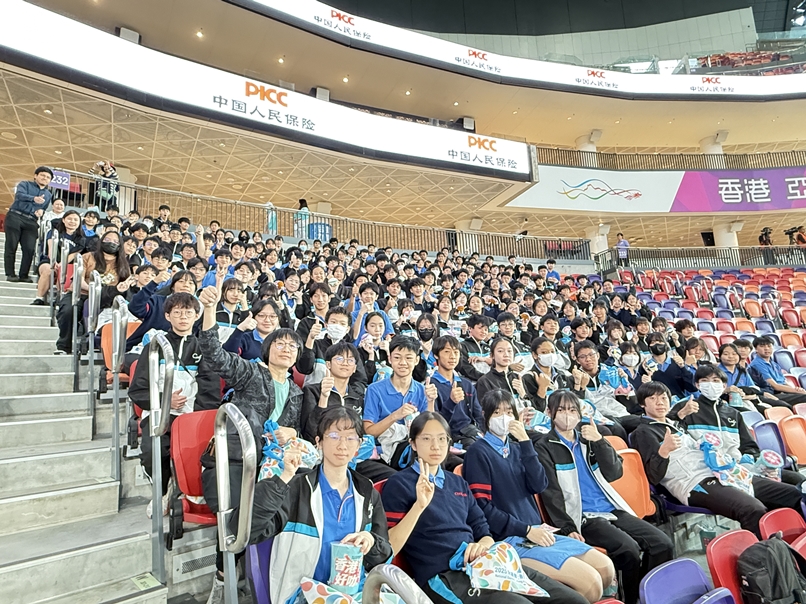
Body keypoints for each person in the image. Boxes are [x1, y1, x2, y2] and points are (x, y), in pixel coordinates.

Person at [381, 412, 588, 604]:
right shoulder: (399, 485)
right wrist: (419, 506)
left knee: (572, 600)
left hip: (483, 563)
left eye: (442, 438)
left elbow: (483, 529)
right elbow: (388, 548)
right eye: (426, 439)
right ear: (413, 444)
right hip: (444, 576)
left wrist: (482, 545)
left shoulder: (457, 483)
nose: (436, 446)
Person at [464, 390, 615, 603]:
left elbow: (539, 485)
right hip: (510, 539)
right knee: (590, 584)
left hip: (537, 532)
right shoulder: (478, 452)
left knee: (606, 569)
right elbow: (483, 508)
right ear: (485, 416)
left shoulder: (517, 448)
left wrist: (525, 442)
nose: (504, 417)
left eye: (508, 411)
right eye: (497, 412)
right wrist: (526, 530)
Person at [536, 391, 674, 604]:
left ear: (580, 413)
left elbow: (614, 473)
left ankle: (648, 595)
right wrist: (567, 527)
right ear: (549, 412)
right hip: (583, 517)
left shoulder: (590, 438)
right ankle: (629, 599)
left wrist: (600, 441)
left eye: (572, 410)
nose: (567, 415)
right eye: (561, 410)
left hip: (611, 508)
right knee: (628, 549)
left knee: (663, 544)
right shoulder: (544, 447)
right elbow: (551, 493)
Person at [631, 381, 794, 538]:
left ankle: (793, 542)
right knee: (752, 509)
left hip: (723, 473)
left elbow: (675, 417)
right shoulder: (643, 432)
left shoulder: (674, 424)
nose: (660, 402)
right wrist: (664, 451)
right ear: (642, 404)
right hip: (696, 483)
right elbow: (653, 476)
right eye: (652, 398)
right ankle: (768, 553)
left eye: (663, 397)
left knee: (792, 494)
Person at [127, 292, 221, 518]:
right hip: (159, 412)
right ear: (167, 316)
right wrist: (164, 400)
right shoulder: (154, 347)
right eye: (177, 312)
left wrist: (193, 416)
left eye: (188, 312)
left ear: (197, 315)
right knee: (153, 451)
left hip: (191, 416)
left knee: (194, 452)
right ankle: (160, 491)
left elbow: (210, 390)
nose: (183, 317)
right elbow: (137, 389)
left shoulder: (204, 349)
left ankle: (185, 492)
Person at [362, 336, 438, 468]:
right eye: (397, 357)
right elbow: (369, 431)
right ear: (389, 359)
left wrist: (430, 401)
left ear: (416, 360)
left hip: (417, 446)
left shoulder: (421, 390)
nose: (403, 362)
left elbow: (429, 428)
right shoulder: (375, 390)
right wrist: (395, 415)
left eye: (408, 358)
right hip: (386, 451)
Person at [430, 335, 484, 446]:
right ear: (436, 355)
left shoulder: (466, 384)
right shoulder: (431, 385)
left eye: (456, 352)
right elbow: (435, 423)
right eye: (447, 352)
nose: (452, 356)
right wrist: (451, 402)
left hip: (471, 432)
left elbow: (478, 415)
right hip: (448, 437)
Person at [6, 166, 53, 282]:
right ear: (35, 176)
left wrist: (41, 211)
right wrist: (33, 198)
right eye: (42, 175)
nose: (45, 178)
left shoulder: (48, 194)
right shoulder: (25, 184)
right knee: (11, 245)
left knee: (29, 249)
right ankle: (10, 274)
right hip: (15, 216)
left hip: (31, 221)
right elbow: (19, 195)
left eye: (48, 177)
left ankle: (24, 275)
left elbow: (44, 208)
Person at [31, 210, 87, 305]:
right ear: (63, 220)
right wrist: (53, 261)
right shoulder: (54, 232)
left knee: (65, 272)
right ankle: (39, 298)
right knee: (49, 270)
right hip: (49, 260)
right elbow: (51, 247)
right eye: (69, 219)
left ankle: (59, 299)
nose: (72, 221)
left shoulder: (81, 238)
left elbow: (73, 254)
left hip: (68, 264)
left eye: (75, 220)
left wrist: (61, 264)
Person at [748, 335, 806, 406]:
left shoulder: (774, 364)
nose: (766, 348)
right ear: (756, 349)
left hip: (783, 392)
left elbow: (783, 382)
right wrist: (796, 391)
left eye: (769, 346)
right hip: (772, 394)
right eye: (762, 346)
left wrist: (796, 390)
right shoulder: (756, 364)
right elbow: (775, 386)